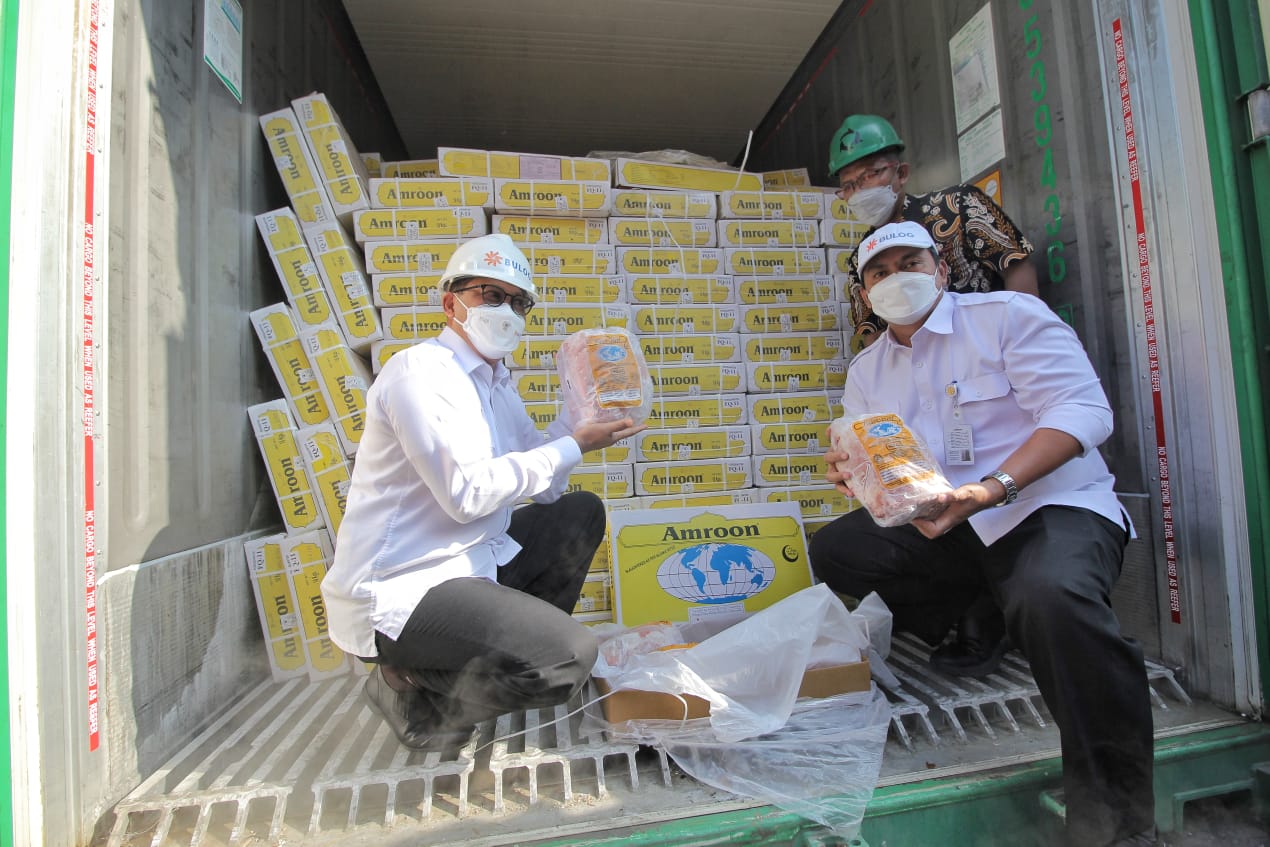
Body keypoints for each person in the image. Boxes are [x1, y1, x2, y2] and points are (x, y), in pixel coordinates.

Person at [809, 221, 1155, 846]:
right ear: (865, 295)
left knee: (1053, 599)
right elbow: (881, 461)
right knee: (839, 550)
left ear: (942, 271)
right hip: (949, 518)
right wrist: (856, 475)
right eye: (879, 273)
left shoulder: (1008, 317)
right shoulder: (867, 371)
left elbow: (1083, 411)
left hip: (1048, 506)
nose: (895, 280)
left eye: (910, 263)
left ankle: (1118, 826)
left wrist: (994, 488)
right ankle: (986, 609)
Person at [321, 233, 645, 752]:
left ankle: (487, 667)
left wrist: (582, 416)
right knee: (566, 660)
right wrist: (573, 446)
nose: (505, 311)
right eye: (490, 295)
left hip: (471, 564)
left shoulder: (494, 382)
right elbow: (465, 495)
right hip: (404, 587)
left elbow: (545, 485)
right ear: (452, 304)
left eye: (518, 303)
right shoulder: (421, 374)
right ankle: (408, 683)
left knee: (578, 512)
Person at [827, 113, 1038, 352]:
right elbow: (874, 335)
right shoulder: (861, 259)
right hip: (922, 367)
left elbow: (1017, 267)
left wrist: (1023, 344)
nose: (860, 191)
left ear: (901, 173)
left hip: (991, 351)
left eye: (869, 175)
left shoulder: (958, 206)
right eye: (848, 186)